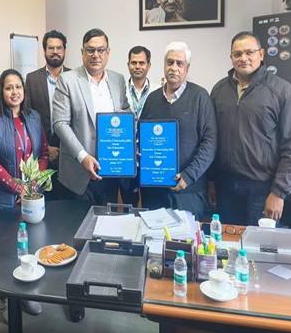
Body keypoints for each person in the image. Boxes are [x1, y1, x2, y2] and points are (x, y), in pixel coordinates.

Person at [209, 32, 291, 225]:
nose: (243, 58)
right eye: (237, 54)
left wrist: (278, 193)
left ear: (261, 54)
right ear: (231, 58)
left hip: (263, 190)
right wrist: (211, 181)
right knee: (228, 241)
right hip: (226, 188)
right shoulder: (219, 90)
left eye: (249, 52)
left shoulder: (282, 91)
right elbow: (212, 140)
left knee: (259, 243)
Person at [0, 69, 49, 321]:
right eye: (8, 87)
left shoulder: (34, 117)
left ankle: (27, 295)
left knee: (29, 245)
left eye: (18, 87)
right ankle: (6, 300)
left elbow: (43, 154)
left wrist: (31, 185)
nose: (14, 92)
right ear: (2, 91)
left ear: (24, 90)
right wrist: (17, 187)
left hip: (30, 196)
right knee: (5, 251)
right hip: (1, 197)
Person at [139, 42, 217, 219]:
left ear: (187, 69)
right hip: (154, 190)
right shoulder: (152, 99)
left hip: (189, 190)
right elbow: (141, 137)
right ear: (164, 66)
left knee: (187, 236)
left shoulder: (200, 97)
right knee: (154, 234)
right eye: (170, 62)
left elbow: (210, 144)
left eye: (179, 63)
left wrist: (188, 176)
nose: (173, 68)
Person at [53, 28, 130, 206]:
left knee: (108, 220)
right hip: (78, 174)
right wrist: (83, 156)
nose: (95, 55)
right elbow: (60, 123)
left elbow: (125, 113)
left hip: (110, 171)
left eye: (100, 50)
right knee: (75, 222)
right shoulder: (67, 80)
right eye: (90, 50)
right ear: (82, 52)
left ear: (108, 53)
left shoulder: (118, 80)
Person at [25, 30, 70, 200]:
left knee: (68, 203)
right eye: (51, 48)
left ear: (65, 50)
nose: (55, 51)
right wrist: (46, 147)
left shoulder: (74, 77)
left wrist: (65, 148)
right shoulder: (32, 79)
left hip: (69, 154)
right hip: (42, 155)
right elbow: (28, 118)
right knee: (45, 201)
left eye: (59, 48)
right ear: (44, 50)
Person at [120, 46, 156, 207]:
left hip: (150, 151)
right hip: (125, 152)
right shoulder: (119, 90)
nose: (137, 66)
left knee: (150, 199)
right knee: (128, 199)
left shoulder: (158, 90)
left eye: (142, 63)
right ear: (128, 65)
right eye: (133, 63)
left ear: (149, 65)